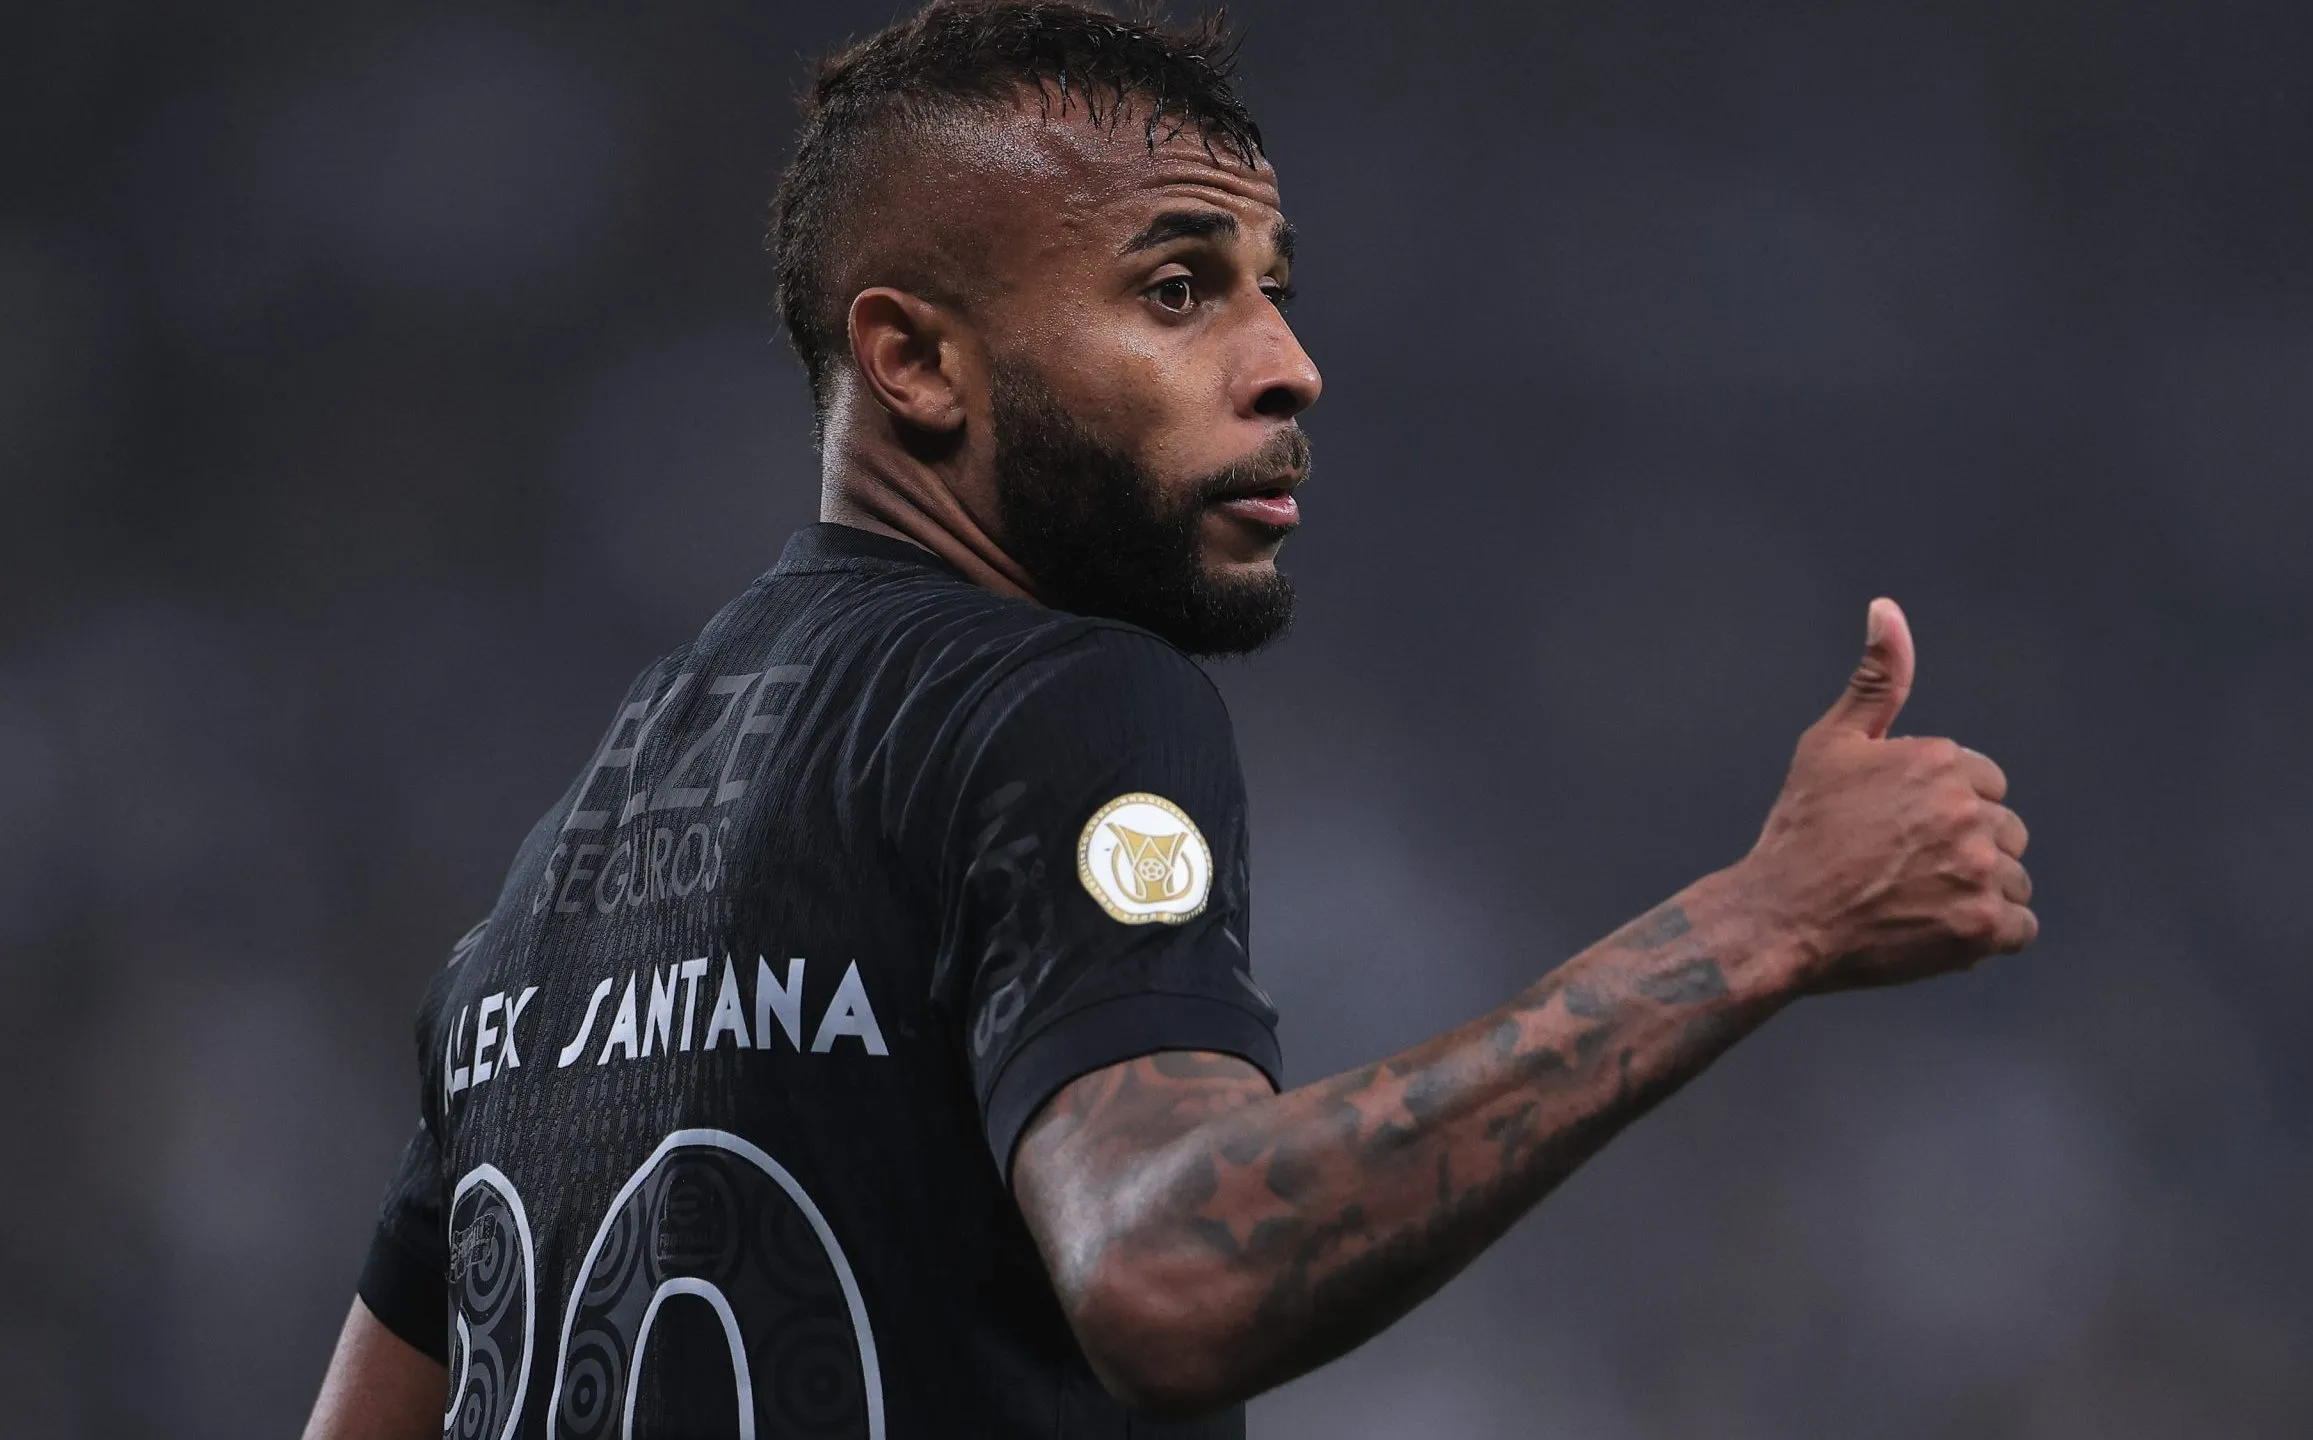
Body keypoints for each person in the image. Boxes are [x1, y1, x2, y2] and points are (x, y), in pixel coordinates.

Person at [304, 2, 2038, 1436]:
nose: (1286, 363)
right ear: (915, 364)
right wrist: (1769, 917)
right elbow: (1173, 1271)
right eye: (1179, 289)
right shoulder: (1049, 696)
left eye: (1274, 283)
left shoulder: (567, 858)